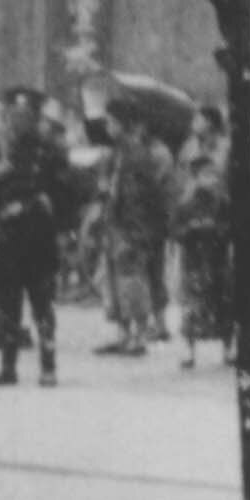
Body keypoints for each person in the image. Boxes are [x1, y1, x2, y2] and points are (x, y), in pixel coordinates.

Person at [0, 88, 74, 388]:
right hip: (10, 236)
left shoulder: (49, 152)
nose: (15, 121)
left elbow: (66, 191)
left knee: (42, 304)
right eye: (13, 115)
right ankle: (8, 366)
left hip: (39, 237)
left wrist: (56, 220)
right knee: (8, 302)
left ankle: (48, 367)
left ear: (34, 118)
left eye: (23, 116)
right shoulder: (1, 152)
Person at [95, 109, 176, 358]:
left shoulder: (137, 155)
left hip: (131, 226)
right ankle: (123, 332)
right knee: (115, 279)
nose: (107, 127)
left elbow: (141, 196)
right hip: (116, 223)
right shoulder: (116, 153)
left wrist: (136, 230)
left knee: (133, 280)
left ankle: (138, 334)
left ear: (123, 124)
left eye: (111, 122)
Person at [172, 146, 234, 368]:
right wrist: (192, 229)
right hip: (194, 262)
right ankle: (189, 351)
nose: (212, 180)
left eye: (214, 175)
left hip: (218, 260)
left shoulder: (223, 202)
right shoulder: (185, 204)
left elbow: (231, 229)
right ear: (196, 177)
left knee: (224, 304)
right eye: (207, 175)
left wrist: (217, 229)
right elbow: (176, 232)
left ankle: (228, 348)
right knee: (193, 306)